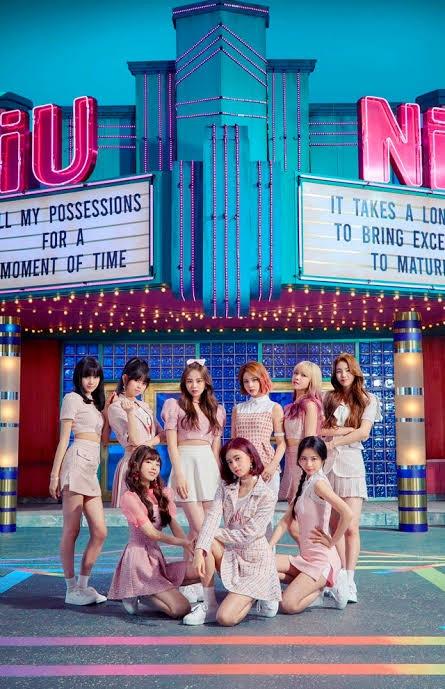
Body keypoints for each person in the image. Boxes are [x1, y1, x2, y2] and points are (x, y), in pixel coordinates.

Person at [183, 437, 282, 626]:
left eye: (238, 459)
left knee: (225, 618)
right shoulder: (225, 487)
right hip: (232, 556)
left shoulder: (267, 494)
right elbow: (211, 518)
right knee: (205, 542)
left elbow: (248, 534)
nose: (234, 465)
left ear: (251, 457)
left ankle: (257, 593)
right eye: (229, 462)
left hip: (255, 563)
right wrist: (199, 550)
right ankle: (209, 605)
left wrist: (214, 533)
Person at [162, 359, 225, 605]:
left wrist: (220, 476)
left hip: (208, 467)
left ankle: (194, 582)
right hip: (185, 465)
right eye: (189, 381)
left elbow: (216, 448)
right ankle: (211, 586)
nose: (194, 385)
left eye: (198, 381)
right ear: (184, 383)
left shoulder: (216, 409)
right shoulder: (174, 406)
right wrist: (179, 473)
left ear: (206, 382)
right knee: (201, 530)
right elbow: (172, 445)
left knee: (202, 529)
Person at [108, 446, 198, 618]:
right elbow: (152, 533)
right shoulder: (130, 497)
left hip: (156, 559)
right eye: (148, 462)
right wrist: (184, 542)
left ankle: (157, 592)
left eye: (157, 463)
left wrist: (191, 548)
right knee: (181, 609)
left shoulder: (163, 494)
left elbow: (174, 525)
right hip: (138, 560)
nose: (154, 467)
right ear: (136, 465)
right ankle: (139, 593)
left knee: (202, 569)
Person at [320, 353, 382, 603]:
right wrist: (345, 431)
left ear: (355, 372)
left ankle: (350, 579)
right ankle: (339, 578)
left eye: (346, 370)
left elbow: (364, 433)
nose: (343, 375)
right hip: (328, 468)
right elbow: (320, 429)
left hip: (352, 465)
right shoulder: (329, 397)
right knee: (333, 526)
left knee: (351, 526)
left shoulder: (368, 399)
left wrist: (335, 440)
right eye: (338, 371)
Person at [49, 356, 110, 605]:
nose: (91, 381)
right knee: (72, 530)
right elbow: (64, 439)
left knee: (100, 531)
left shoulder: (96, 404)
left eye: (95, 376)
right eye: (86, 375)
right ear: (79, 377)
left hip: (91, 469)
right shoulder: (71, 398)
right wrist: (54, 476)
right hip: (75, 464)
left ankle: (83, 586)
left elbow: (104, 439)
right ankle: (71, 588)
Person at [271, 436, 352, 614]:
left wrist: (332, 541)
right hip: (306, 558)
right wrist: (270, 546)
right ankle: (314, 586)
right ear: (298, 460)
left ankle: (324, 587)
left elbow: (347, 513)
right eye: (304, 459)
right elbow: (285, 521)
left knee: (288, 604)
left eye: (314, 459)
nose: (308, 464)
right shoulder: (305, 483)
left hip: (322, 561)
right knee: (264, 565)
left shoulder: (319, 484)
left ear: (323, 459)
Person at [108, 357, 163, 508]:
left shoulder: (144, 406)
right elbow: (134, 441)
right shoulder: (116, 407)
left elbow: (162, 434)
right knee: (130, 515)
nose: (140, 386)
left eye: (144, 383)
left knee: (152, 513)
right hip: (132, 465)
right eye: (137, 380)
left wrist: (147, 444)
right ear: (125, 378)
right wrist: (130, 413)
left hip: (150, 465)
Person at [231, 362, 285, 501]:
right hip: (242, 468)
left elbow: (281, 443)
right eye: (246, 381)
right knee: (242, 511)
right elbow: (233, 443)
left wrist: (272, 466)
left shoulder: (274, 408)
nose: (250, 385)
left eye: (254, 380)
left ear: (263, 379)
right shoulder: (238, 409)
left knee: (266, 511)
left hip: (266, 466)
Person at [280, 361, 324, 502]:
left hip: (302, 457)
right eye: (295, 373)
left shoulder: (310, 405)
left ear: (312, 380)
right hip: (290, 456)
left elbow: (310, 439)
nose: (297, 377)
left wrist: (306, 462)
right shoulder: (289, 407)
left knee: (302, 499)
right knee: (293, 500)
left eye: (303, 375)